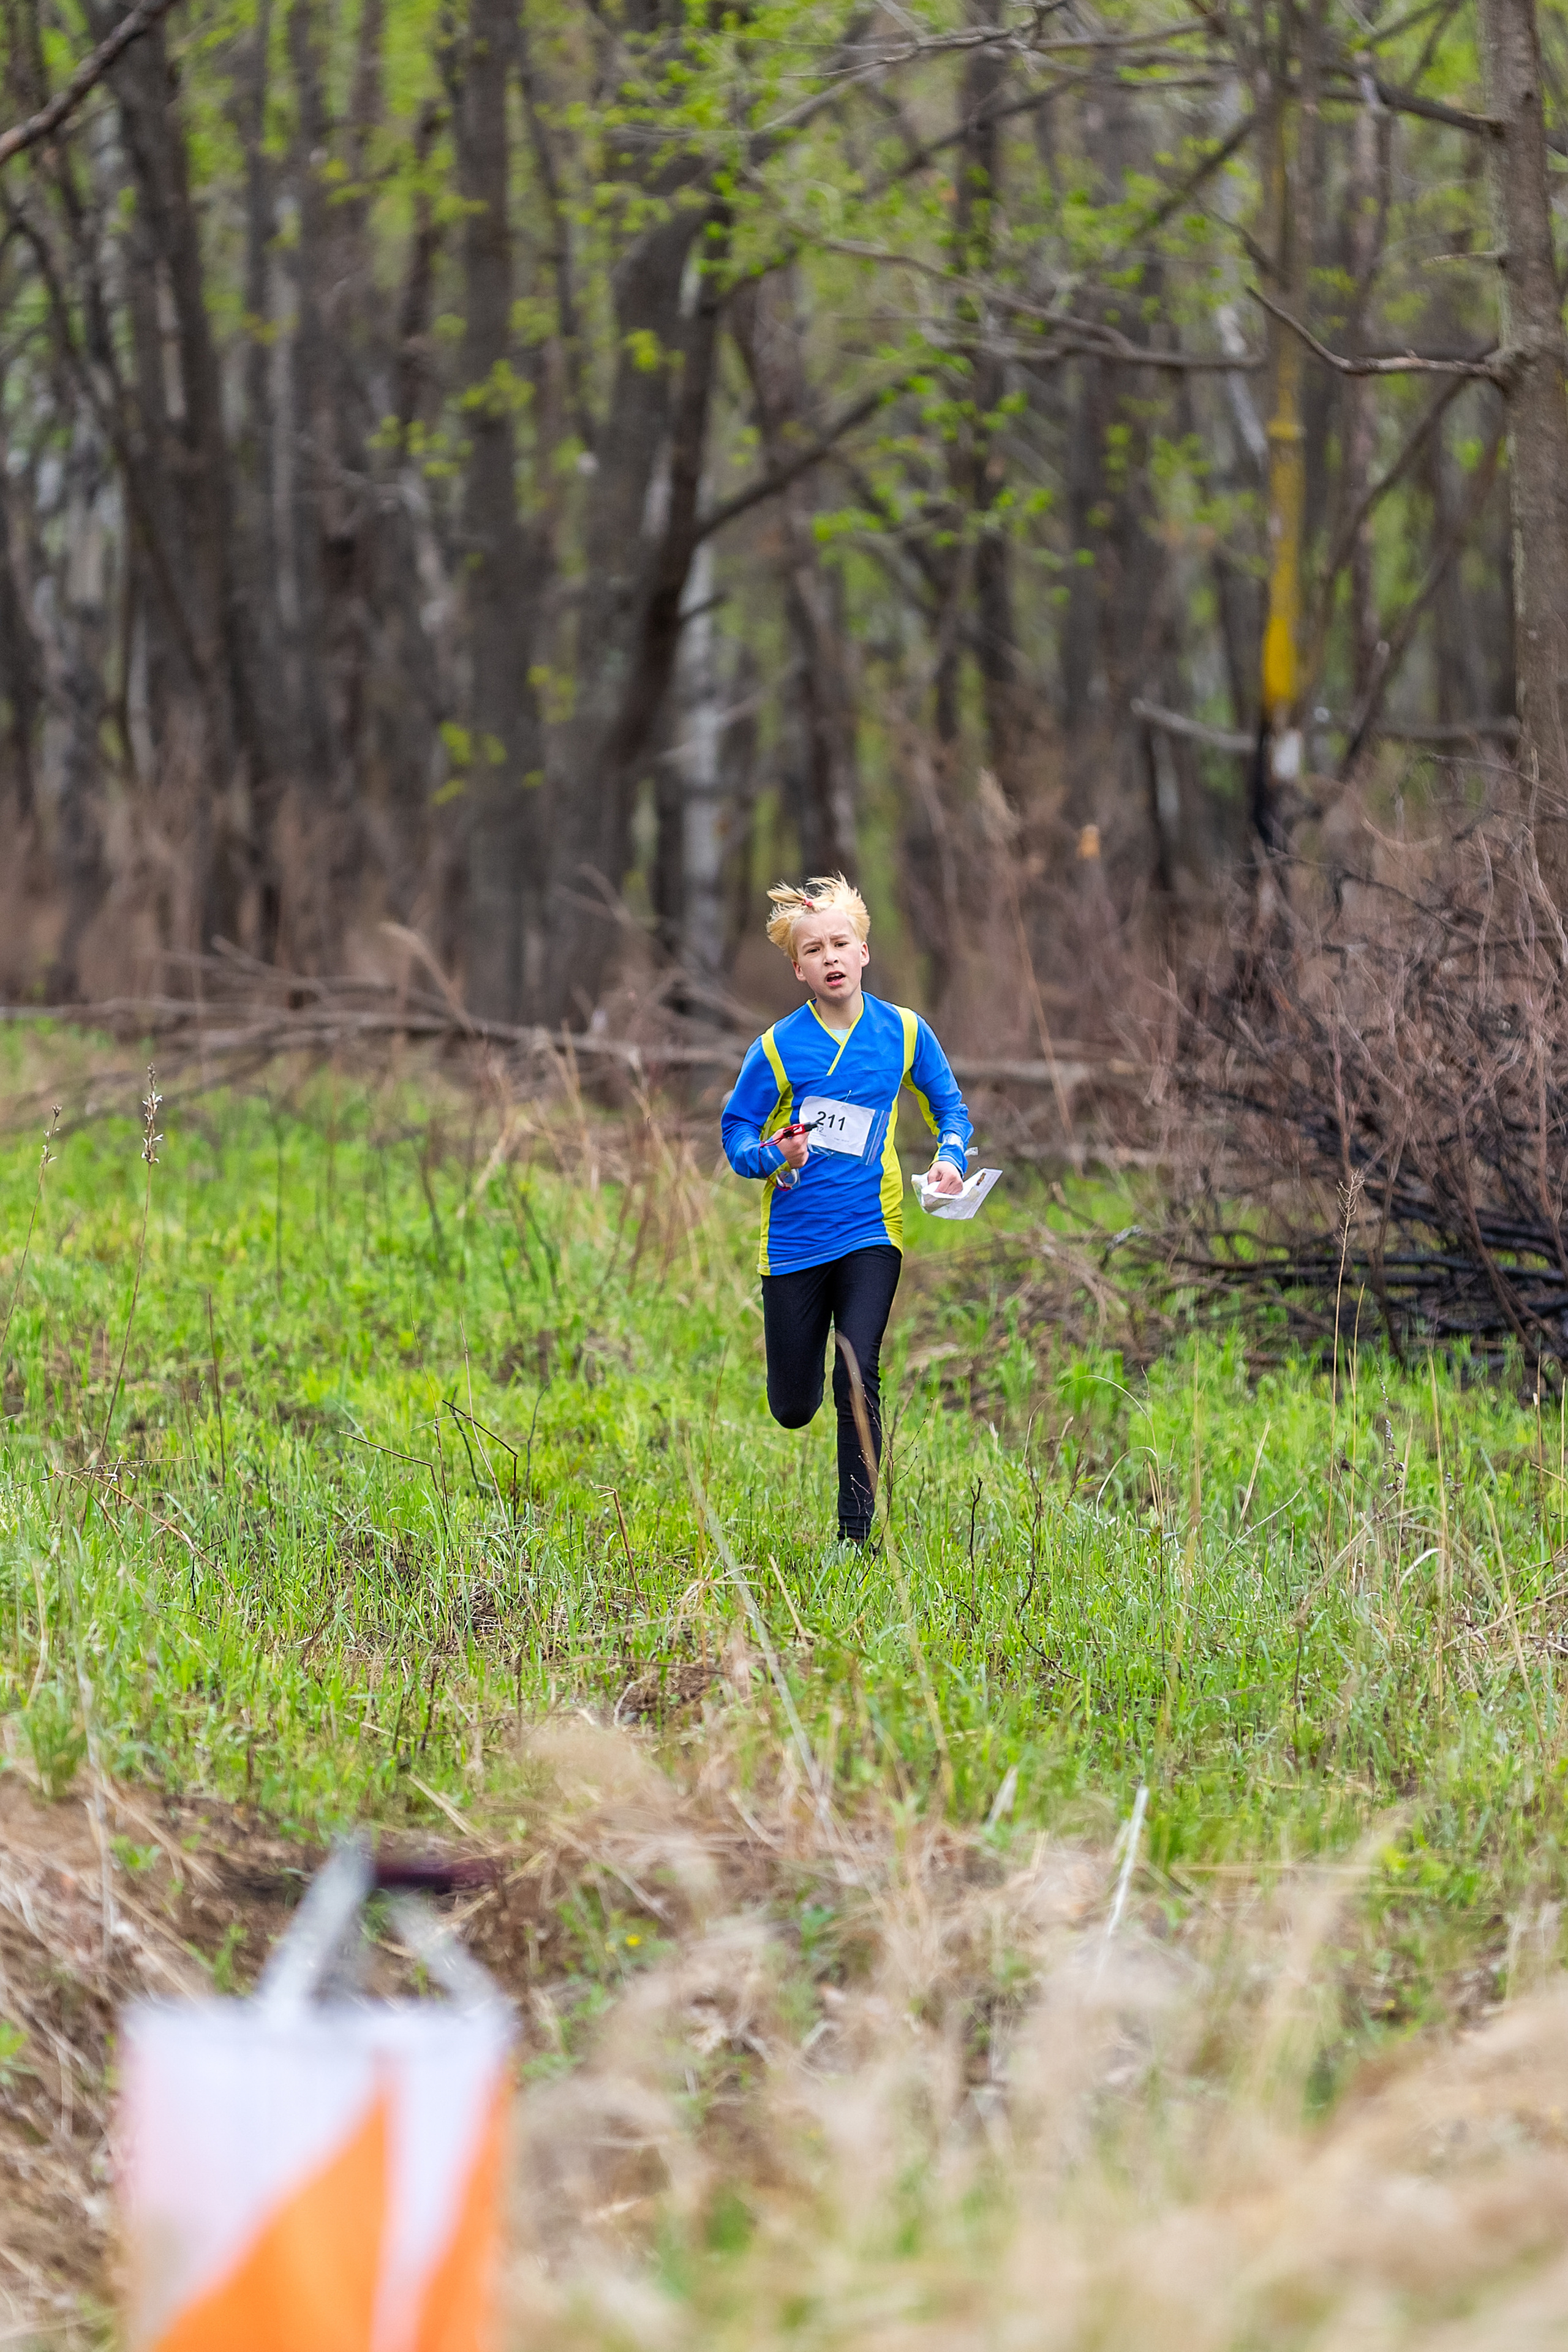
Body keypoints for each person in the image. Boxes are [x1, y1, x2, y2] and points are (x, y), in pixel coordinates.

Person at [722, 875, 973, 1548]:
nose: (829, 957)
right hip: (794, 1243)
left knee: (858, 1372)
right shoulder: (777, 1047)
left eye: (841, 944)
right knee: (792, 1406)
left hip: (872, 1230)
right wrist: (774, 1155)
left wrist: (951, 1157)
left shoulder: (905, 1032)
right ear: (798, 969)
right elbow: (736, 1134)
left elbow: (949, 1107)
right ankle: (797, 1402)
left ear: (863, 952)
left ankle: (854, 1539)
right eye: (814, 950)